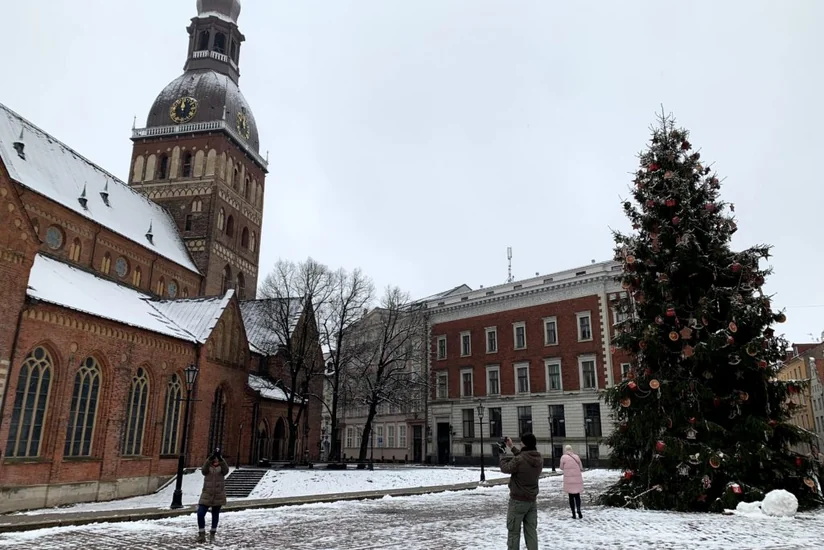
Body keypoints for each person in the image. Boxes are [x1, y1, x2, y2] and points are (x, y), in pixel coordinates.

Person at [499, 433, 543, 550]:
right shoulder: (538, 458)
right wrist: (511, 447)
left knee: (513, 532)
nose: (520, 444)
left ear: (525, 444)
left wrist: (502, 454)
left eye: (521, 442)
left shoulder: (520, 460)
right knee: (531, 532)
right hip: (531, 501)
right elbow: (524, 458)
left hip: (517, 501)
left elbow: (505, 468)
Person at [197, 447, 229, 543]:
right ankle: (201, 534)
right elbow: (203, 471)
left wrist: (221, 459)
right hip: (207, 493)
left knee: (215, 515)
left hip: (218, 494)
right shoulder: (208, 467)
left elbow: (226, 470)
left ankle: (212, 534)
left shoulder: (221, 467)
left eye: (216, 458)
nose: (215, 459)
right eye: (214, 457)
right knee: (200, 514)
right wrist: (208, 460)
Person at [559, 444, 584, 519]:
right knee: (577, 496)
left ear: (565, 450)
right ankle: (579, 509)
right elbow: (581, 467)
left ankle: (573, 513)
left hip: (569, 480)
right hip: (577, 480)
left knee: (571, 497)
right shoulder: (576, 456)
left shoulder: (563, 457)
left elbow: (561, 467)